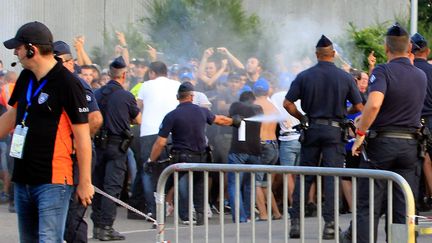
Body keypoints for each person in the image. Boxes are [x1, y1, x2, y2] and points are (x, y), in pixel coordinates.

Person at [0, 21, 94, 242]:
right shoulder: (25, 78)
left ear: (32, 49)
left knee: (49, 239)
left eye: (19, 47)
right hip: (23, 178)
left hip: (53, 181)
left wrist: (85, 182)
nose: (16, 52)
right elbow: (12, 116)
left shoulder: (69, 83)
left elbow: (82, 136)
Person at [340, 23, 427, 243]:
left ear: (386, 48)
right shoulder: (420, 75)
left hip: (382, 146)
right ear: (409, 48)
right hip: (410, 147)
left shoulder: (383, 70)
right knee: (403, 208)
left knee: (368, 206)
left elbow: (375, 104)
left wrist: (360, 132)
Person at [284, 34, 363, 239]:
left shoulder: (304, 76)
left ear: (317, 55)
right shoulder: (345, 77)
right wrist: (345, 113)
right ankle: (330, 225)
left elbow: (287, 104)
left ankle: (296, 223)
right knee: (332, 177)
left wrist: (301, 118)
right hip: (335, 132)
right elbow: (360, 106)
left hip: (312, 130)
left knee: (305, 177)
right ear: (334, 54)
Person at [147, 81, 241, 225]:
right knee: (199, 191)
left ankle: (158, 220)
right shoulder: (202, 111)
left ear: (178, 97)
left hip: (180, 159)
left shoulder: (171, 116)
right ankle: (201, 223)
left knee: (164, 186)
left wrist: (151, 160)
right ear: (191, 96)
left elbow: (160, 142)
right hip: (200, 159)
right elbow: (220, 120)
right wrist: (234, 121)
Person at [53, 40, 104, 243]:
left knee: (74, 214)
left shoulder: (77, 83)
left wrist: (78, 141)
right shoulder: (56, 83)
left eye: (59, 61)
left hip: (78, 156)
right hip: (62, 158)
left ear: (71, 63)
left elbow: (95, 119)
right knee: (64, 214)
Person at [90, 56, 141, 241]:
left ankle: (96, 226)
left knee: (98, 186)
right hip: (116, 145)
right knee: (112, 187)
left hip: (97, 145)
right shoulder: (126, 96)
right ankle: (106, 227)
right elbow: (137, 119)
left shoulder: (96, 93)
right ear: (124, 75)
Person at [136, 61, 180, 221]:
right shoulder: (177, 85)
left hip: (149, 132)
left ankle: (153, 210)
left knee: (148, 170)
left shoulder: (146, 85)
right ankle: (171, 205)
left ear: (152, 73)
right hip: (172, 132)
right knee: (172, 170)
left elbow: (137, 107)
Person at [227, 91, 263, 223]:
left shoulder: (236, 106)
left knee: (234, 185)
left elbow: (229, 118)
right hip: (255, 151)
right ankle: (248, 215)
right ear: (253, 99)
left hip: (238, 150)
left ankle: (240, 217)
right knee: (250, 185)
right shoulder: (258, 109)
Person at [253, 78, 283, 221]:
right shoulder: (273, 106)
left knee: (255, 182)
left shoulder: (255, 105)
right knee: (265, 184)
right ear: (267, 91)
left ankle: (264, 214)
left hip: (262, 145)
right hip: (274, 145)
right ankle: (276, 213)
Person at [411, 32, 432, 210]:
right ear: (428, 51)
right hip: (431, 119)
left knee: (416, 162)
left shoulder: (409, 70)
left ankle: (416, 201)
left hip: (414, 120)